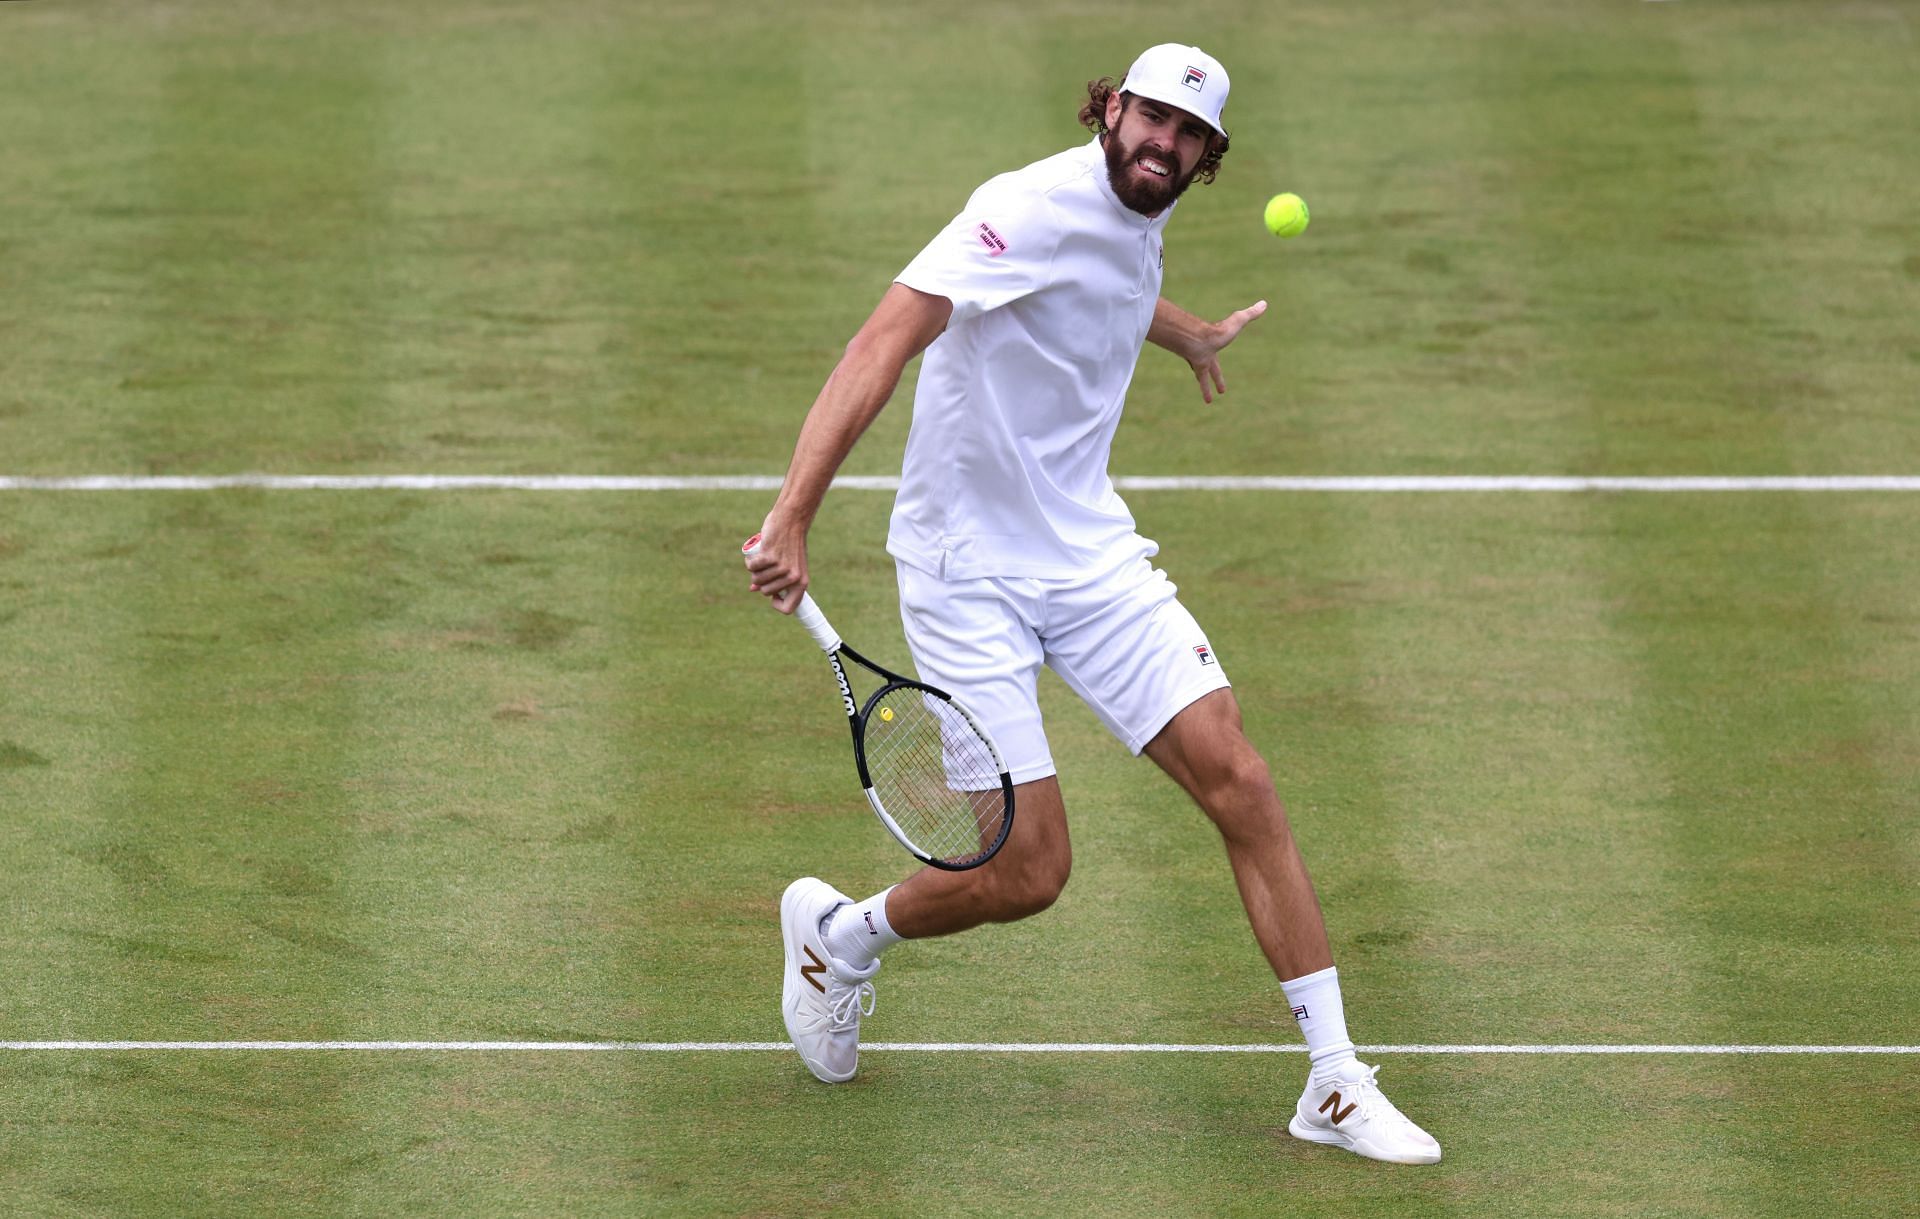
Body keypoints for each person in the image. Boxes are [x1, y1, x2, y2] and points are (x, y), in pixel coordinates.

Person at [744, 43, 1440, 1165]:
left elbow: (1109, 281)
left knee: (1243, 780)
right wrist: (794, 515)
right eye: (1151, 118)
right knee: (1028, 871)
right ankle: (840, 932)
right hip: (966, 567)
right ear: (1112, 109)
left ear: (1207, 157)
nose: (1162, 144)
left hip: (1088, 554)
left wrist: (1187, 333)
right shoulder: (1022, 206)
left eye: (1187, 135)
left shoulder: (1135, 209)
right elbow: (885, 340)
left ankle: (1335, 1082)